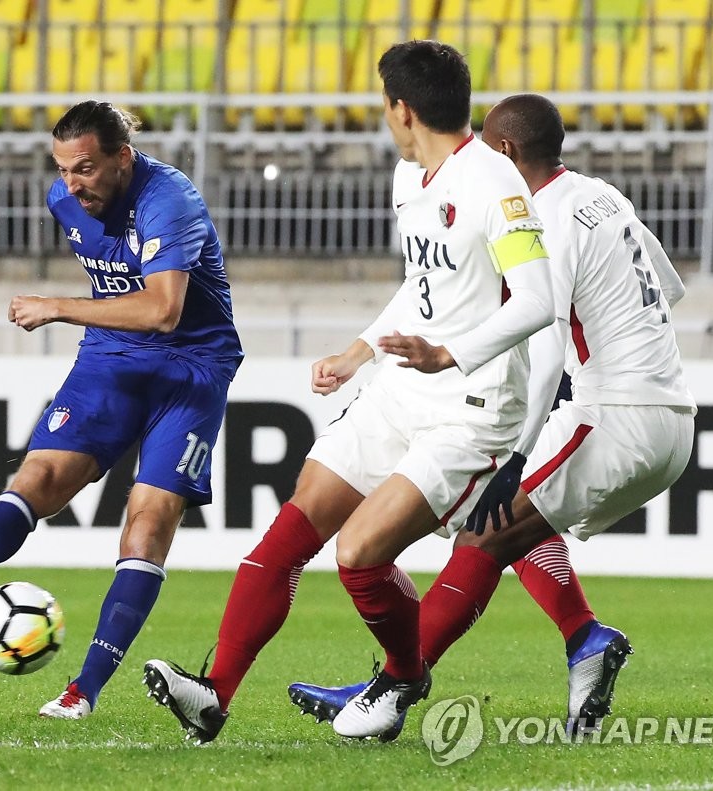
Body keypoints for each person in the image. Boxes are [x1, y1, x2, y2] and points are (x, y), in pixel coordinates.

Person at [142, 41, 555, 743]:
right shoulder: (410, 178)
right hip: (400, 388)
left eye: (384, 104)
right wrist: (361, 351)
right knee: (296, 520)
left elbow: (538, 299)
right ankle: (214, 694)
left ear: (401, 108)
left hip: (470, 407)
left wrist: (446, 352)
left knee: (359, 553)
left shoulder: (493, 181)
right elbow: (421, 287)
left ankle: (404, 673)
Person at [290, 93, 697, 738]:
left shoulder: (547, 217)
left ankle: (390, 690)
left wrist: (513, 454)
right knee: (512, 528)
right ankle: (585, 639)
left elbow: (548, 345)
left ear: (505, 152)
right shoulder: (602, 196)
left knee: (485, 525)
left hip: (616, 414)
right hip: (667, 411)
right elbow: (669, 287)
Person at [0, 101, 243, 720]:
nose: (72, 183)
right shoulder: (64, 199)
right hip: (111, 360)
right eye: (63, 168)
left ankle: (81, 691)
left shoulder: (169, 200)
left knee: (147, 521)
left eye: (86, 168)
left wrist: (58, 306)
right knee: (36, 480)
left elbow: (163, 310)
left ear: (123, 156)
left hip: (190, 367)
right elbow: (118, 292)